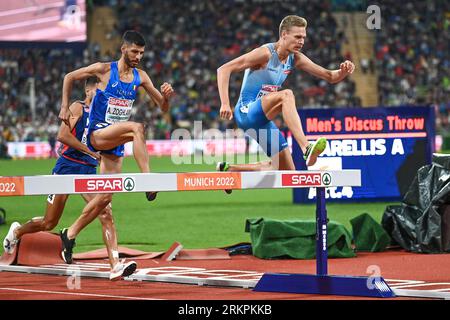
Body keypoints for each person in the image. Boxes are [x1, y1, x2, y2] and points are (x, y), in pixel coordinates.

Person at [57, 30, 174, 271]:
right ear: (123, 49)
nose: (138, 56)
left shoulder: (140, 77)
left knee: (106, 197)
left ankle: (70, 234)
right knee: (137, 128)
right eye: (134, 51)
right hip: (98, 134)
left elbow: (162, 107)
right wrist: (63, 107)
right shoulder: (103, 69)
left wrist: (167, 97)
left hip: (115, 141)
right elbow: (69, 76)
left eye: (141, 53)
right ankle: (148, 181)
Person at [3, 77, 134, 280]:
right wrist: (91, 153)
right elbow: (62, 135)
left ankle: (115, 265)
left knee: (106, 212)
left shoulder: (105, 114)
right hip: (67, 168)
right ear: (89, 90)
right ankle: (18, 232)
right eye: (101, 88)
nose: (105, 93)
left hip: (89, 171)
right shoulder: (78, 107)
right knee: (49, 222)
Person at [216, 15, 355, 176]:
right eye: (297, 37)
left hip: (262, 119)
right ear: (284, 35)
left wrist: (343, 71)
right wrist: (225, 103)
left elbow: (330, 76)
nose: (301, 41)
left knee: (286, 170)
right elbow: (224, 69)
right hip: (246, 113)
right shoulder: (264, 54)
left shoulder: (294, 58)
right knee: (286, 95)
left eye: (303, 37)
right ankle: (306, 148)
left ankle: (230, 169)